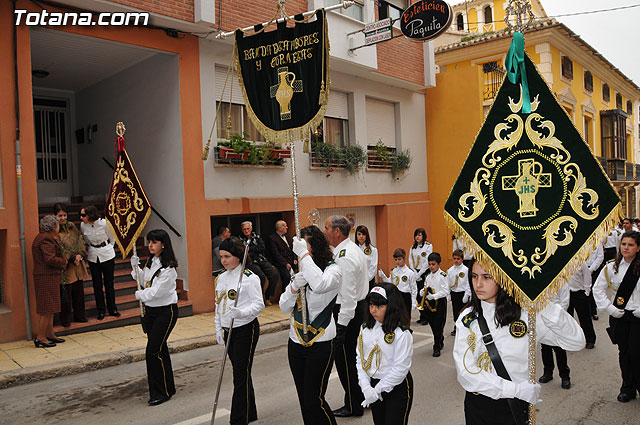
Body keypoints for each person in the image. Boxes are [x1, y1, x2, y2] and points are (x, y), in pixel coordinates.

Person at [454, 259, 585, 425]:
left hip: (515, 407)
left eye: (487, 277)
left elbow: (576, 341)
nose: (478, 284)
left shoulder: (527, 314)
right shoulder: (468, 318)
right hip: (481, 404)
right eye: (474, 276)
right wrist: (515, 390)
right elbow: (466, 372)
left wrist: (543, 304)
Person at [281, 225, 342, 425]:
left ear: (314, 246)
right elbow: (284, 307)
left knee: (314, 400)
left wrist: (304, 256)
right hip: (296, 341)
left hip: (321, 341)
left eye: (304, 244)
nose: (299, 248)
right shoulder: (300, 270)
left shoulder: (333, 270)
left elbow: (320, 285)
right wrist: (293, 286)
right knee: (304, 400)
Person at [215, 236, 264, 424]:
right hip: (229, 331)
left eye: (227, 256)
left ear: (238, 256)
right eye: (221, 257)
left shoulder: (250, 278)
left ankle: (238, 419)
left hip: (246, 329)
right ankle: (250, 412)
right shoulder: (221, 278)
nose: (224, 260)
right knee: (241, 372)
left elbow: (258, 305)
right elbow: (218, 305)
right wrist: (218, 328)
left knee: (240, 375)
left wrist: (241, 312)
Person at [323, 215, 369, 418]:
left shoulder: (344, 255)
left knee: (346, 362)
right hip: (355, 309)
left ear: (337, 231)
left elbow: (348, 296)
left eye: (326, 228)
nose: (324, 232)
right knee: (354, 359)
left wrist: (341, 327)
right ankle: (358, 398)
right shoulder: (350, 249)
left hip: (348, 312)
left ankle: (353, 404)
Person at [131, 229, 179, 406]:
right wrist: (135, 267)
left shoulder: (169, 268)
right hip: (151, 312)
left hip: (166, 312)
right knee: (161, 349)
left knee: (153, 351)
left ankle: (160, 392)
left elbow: (157, 292)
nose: (150, 245)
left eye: (155, 242)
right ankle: (168, 387)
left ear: (163, 244)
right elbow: (143, 280)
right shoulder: (151, 262)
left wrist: (140, 295)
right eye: (149, 242)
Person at [593, 231, 640, 403]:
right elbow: (597, 289)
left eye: (631, 245)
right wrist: (609, 308)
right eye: (624, 244)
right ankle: (627, 388)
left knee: (636, 353)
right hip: (619, 315)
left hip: (638, 317)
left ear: (638, 248)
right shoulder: (611, 267)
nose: (626, 247)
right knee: (624, 353)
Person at [356, 283, 413, 425]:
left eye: (379, 306)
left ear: (391, 306)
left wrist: (377, 391)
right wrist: (365, 386)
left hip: (396, 386)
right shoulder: (365, 329)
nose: (373, 310)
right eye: (371, 305)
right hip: (373, 385)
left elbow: (400, 369)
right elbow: (360, 358)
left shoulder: (401, 333)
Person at [32, 215, 68, 348]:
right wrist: (64, 261)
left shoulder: (45, 237)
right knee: (46, 308)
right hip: (45, 277)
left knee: (51, 307)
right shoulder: (45, 239)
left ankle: (50, 333)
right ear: (53, 227)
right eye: (58, 225)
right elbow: (50, 259)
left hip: (49, 277)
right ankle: (41, 337)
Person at [80, 205, 119, 320]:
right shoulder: (83, 225)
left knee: (109, 284)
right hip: (93, 255)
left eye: (83, 215)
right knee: (97, 285)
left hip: (107, 254)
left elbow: (112, 238)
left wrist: (108, 248)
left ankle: (113, 308)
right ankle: (101, 310)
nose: (81, 217)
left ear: (90, 215)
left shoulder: (104, 223)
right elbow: (86, 239)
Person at [54, 203, 88, 326]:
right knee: (66, 295)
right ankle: (65, 319)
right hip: (67, 267)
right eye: (59, 215)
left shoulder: (72, 227)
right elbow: (59, 248)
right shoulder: (55, 230)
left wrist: (80, 254)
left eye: (64, 215)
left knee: (79, 293)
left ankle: (80, 316)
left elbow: (80, 240)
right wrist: (72, 257)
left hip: (77, 265)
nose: (62, 218)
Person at [539, 284, 572, 389]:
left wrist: (555, 315)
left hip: (557, 318)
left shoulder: (561, 282)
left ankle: (565, 376)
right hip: (543, 317)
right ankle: (548, 372)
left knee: (559, 348)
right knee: (545, 347)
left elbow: (565, 302)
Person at [240, 221, 280, 305]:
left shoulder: (256, 236)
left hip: (261, 259)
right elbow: (244, 251)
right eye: (244, 229)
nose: (246, 231)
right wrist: (255, 249)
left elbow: (262, 248)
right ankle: (259, 298)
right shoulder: (240, 239)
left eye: (248, 229)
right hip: (251, 262)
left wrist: (251, 249)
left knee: (274, 274)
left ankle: (267, 296)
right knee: (260, 276)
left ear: (251, 228)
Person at [419, 252, 449, 357]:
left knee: (439, 324)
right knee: (433, 324)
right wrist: (423, 291)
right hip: (430, 303)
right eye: (429, 264)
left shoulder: (443, 276)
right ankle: (439, 339)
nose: (431, 266)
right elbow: (426, 286)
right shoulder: (428, 276)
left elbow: (446, 291)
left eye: (433, 264)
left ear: (438, 264)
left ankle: (436, 347)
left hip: (440, 302)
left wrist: (434, 296)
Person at [567, 257, 598, 350]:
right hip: (566, 294)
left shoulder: (580, 263)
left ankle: (590, 340)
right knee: (568, 319)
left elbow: (587, 277)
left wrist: (586, 292)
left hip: (579, 293)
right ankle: (571, 341)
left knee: (585, 318)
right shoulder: (561, 263)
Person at [377, 248, 417, 317]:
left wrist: (413, 302)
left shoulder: (410, 272)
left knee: (405, 317)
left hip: (405, 297)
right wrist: (383, 276)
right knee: (396, 317)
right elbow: (390, 283)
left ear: (404, 259)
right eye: (396, 260)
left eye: (399, 259)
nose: (397, 261)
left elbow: (414, 289)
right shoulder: (394, 271)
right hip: (395, 296)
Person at [409, 228, 432, 325]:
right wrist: (414, 272)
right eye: (416, 235)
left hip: (424, 272)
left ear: (423, 236)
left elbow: (427, 261)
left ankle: (427, 316)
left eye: (419, 235)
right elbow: (410, 259)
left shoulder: (428, 246)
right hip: (415, 272)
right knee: (417, 295)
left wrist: (420, 274)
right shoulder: (413, 247)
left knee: (424, 294)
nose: (417, 237)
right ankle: (422, 315)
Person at [268, 220, 297, 295]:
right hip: (280, 263)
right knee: (287, 276)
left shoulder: (287, 236)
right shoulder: (273, 238)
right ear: (280, 228)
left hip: (290, 261)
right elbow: (276, 254)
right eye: (285, 226)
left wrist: (294, 258)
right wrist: (285, 263)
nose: (287, 227)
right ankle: (285, 295)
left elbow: (292, 248)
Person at [448, 249, 470, 336]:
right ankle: (456, 327)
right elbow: (448, 283)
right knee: (455, 311)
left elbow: (468, 283)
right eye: (454, 259)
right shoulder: (450, 270)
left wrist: (467, 294)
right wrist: (448, 294)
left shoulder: (466, 270)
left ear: (462, 259)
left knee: (463, 311)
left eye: (458, 259)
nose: (456, 261)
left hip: (463, 293)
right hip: (454, 293)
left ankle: (464, 327)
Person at [356, 225, 378, 289]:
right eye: (359, 234)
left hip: (368, 281)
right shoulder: (353, 249)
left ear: (367, 236)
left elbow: (373, 268)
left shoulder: (373, 250)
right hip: (356, 281)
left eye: (363, 234)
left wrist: (365, 280)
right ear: (356, 236)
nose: (361, 236)